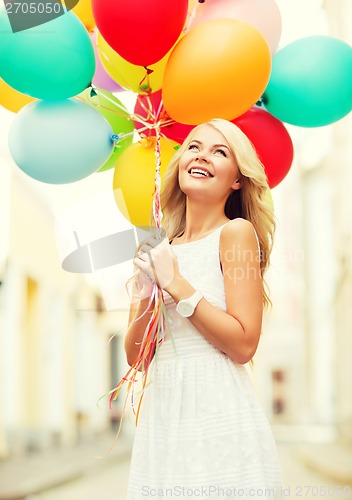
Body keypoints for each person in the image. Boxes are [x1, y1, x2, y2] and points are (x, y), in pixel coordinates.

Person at [124, 118, 284, 499]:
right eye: (194, 146)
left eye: (220, 151)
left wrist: (177, 285)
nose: (202, 156)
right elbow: (135, 358)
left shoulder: (236, 234)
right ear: (180, 161)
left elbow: (244, 345)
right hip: (164, 415)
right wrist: (150, 290)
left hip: (217, 409)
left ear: (237, 179)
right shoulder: (157, 246)